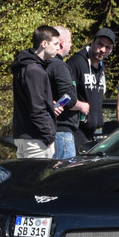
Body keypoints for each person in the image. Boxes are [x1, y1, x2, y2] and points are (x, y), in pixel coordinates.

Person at [11, 25, 60, 159]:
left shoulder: (24, 67)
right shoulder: (34, 71)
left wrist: (50, 105)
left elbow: (32, 103)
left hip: (26, 137)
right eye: (55, 44)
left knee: (26, 179)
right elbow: (36, 109)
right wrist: (49, 137)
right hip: (36, 140)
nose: (58, 47)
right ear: (44, 43)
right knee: (38, 179)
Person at [66, 27, 115, 151]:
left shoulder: (101, 67)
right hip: (75, 130)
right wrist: (79, 105)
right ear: (92, 42)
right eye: (100, 44)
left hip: (92, 132)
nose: (103, 50)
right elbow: (64, 93)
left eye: (107, 47)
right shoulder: (76, 62)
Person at [47, 25, 87, 159]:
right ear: (62, 43)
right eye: (70, 41)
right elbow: (68, 97)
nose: (71, 45)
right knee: (63, 176)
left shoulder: (42, 64)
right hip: (62, 132)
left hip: (50, 130)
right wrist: (82, 106)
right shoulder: (59, 66)